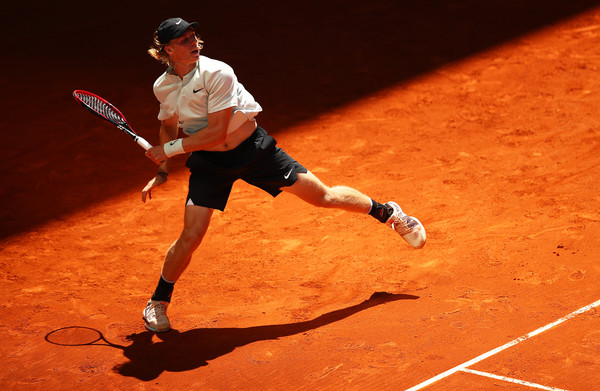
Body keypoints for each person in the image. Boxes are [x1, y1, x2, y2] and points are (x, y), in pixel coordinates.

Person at [141, 17, 426, 333]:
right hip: (210, 164)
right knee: (191, 235)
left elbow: (218, 133)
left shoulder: (217, 73)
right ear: (167, 49)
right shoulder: (163, 86)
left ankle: (389, 213)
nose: (193, 42)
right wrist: (162, 168)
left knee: (323, 197)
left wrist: (168, 150)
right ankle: (158, 302)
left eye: (194, 36)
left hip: (254, 151)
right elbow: (168, 124)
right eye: (184, 40)